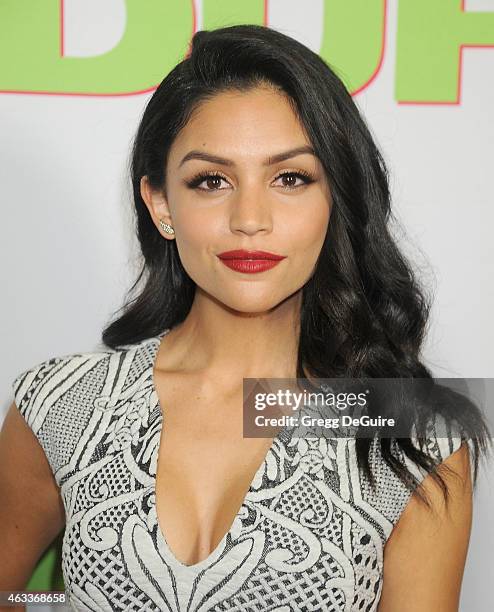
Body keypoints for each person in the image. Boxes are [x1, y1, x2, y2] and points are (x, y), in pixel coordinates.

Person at [0, 24, 491, 612]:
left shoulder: (409, 430)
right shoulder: (62, 401)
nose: (249, 218)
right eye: (211, 181)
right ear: (160, 204)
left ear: (336, 199)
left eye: (290, 178)